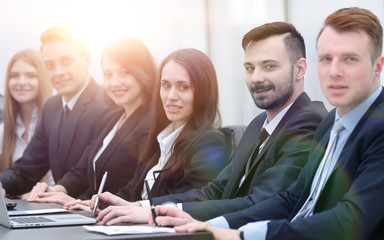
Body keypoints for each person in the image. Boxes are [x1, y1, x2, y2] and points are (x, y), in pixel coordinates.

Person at [158, 7, 384, 240]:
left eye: (350, 59)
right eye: (326, 59)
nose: (334, 71)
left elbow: (351, 220)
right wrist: (217, 225)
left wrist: (245, 235)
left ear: (378, 66)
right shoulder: (331, 122)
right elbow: (293, 197)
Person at [90, 22, 327, 225]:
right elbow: (213, 191)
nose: (256, 78)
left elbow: (261, 202)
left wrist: (155, 213)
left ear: (300, 69)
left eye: (269, 66)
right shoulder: (257, 125)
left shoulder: (308, 120)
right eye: (249, 68)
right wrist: (142, 206)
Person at [65, 48, 230, 215]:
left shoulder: (210, 141)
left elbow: (188, 201)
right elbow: (133, 193)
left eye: (183, 87)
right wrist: (98, 204)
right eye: (166, 85)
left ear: (203, 91)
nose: (171, 96)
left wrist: (138, 208)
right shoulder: (161, 138)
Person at [23, 38, 157, 205]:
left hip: (118, 221)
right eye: (108, 75)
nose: (114, 83)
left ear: (142, 72)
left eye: (124, 73)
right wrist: (55, 191)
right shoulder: (115, 117)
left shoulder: (152, 123)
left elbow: (136, 188)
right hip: (94, 216)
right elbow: (83, 170)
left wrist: (83, 204)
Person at [0, 25, 116, 197]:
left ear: (87, 59)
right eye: (49, 65)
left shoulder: (108, 104)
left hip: (91, 212)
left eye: (66, 61)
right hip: (59, 210)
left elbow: (89, 173)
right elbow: (27, 168)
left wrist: (52, 193)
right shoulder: (52, 107)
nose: (58, 72)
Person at [0, 49, 54, 187]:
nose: (21, 82)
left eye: (31, 75)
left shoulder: (56, 126)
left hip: (52, 204)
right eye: (14, 76)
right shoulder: (3, 131)